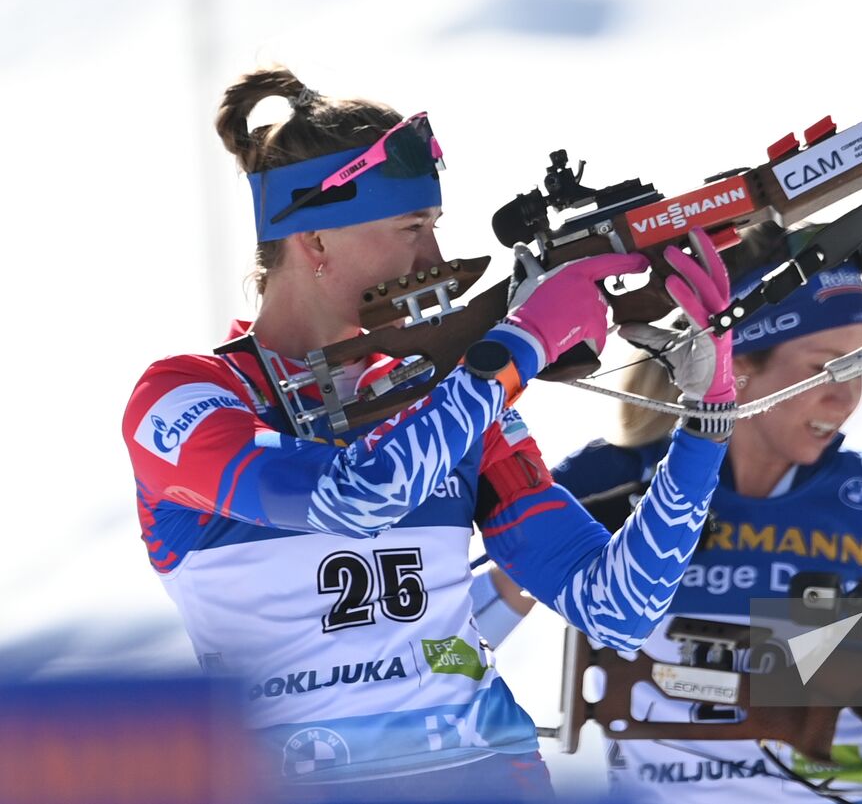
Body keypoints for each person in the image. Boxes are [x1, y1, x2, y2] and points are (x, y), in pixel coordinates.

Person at [121, 66, 736, 801]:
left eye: (435, 228)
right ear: (315, 240)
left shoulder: (451, 396)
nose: (436, 263)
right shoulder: (186, 396)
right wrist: (517, 349)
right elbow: (348, 499)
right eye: (412, 230)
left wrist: (706, 417)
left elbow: (617, 604)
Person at [502, 225, 862, 801]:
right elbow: (470, 620)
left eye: (861, 369)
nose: (847, 397)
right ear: (737, 369)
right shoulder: (611, 478)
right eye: (826, 369)